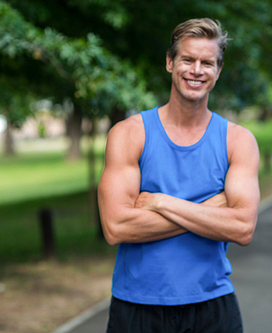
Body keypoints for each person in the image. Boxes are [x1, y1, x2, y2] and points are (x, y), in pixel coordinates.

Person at [98, 18, 260, 333]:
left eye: (207, 63)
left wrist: (159, 202)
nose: (196, 70)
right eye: (188, 59)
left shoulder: (237, 141)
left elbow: (242, 228)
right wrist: (212, 209)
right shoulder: (129, 134)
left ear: (218, 70)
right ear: (171, 62)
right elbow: (116, 227)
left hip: (212, 305)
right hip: (137, 307)